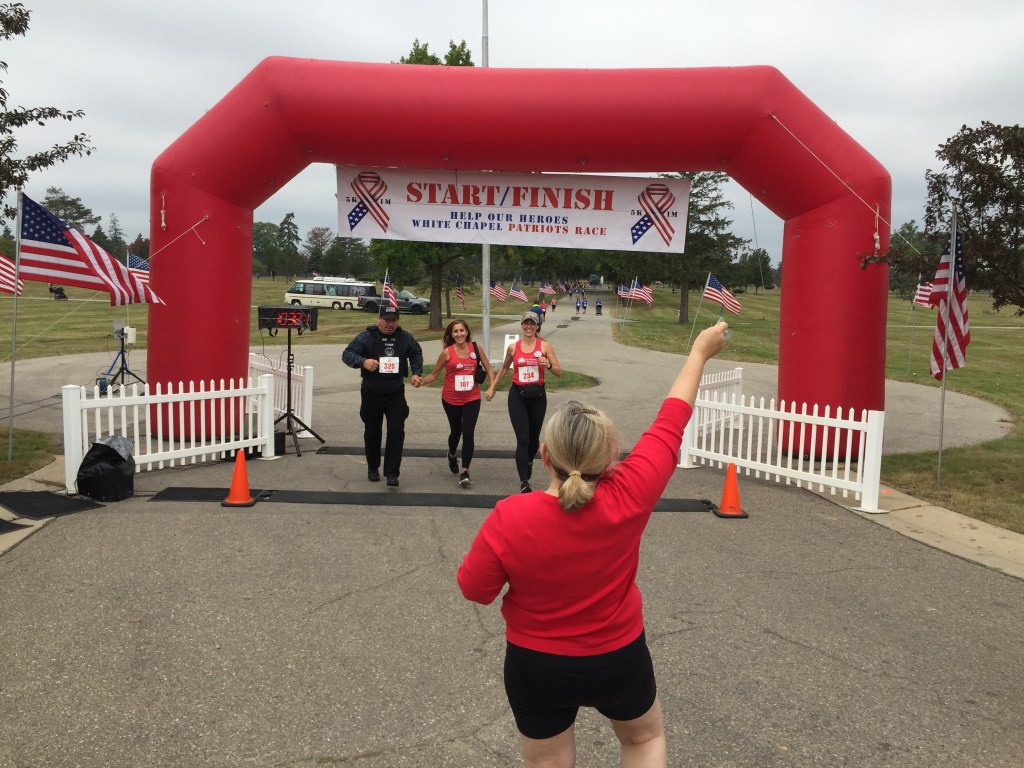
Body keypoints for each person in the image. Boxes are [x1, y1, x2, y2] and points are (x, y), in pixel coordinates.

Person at [459, 321, 729, 768]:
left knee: (548, 761)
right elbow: (672, 419)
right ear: (611, 457)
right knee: (642, 741)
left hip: (535, 664)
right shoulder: (631, 492)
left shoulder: (510, 516)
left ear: (544, 455)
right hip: (618, 657)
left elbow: (475, 589)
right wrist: (698, 353)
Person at [341, 305, 423, 486]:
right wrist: (363, 361)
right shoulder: (366, 336)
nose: (390, 324)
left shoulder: (405, 337)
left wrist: (416, 372)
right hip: (372, 392)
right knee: (372, 432)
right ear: (379, 319)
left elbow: (416, 352)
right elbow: (347, 354)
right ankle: (373, 467)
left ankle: (392, 473)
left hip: (395, 393)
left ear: (397, 321)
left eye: (393, 320)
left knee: (396, 431)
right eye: (386, 320)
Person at [485, 311, 561, 493]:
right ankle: (524, 481)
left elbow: (559, 371)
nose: (529, 327)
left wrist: (548, 365)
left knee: (533, 440)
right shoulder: (513, 348)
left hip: (538, 397)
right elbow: (505, 367)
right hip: (517, 396)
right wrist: (493, 387)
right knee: (523, 438)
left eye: (532, 324)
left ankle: (529, 460)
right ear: (522, 325)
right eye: (526, 323)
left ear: (537, 326)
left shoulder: (545, 346)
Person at [420, 319, 495, 488]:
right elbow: (434, 375)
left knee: (468, 432)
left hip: (472, 397)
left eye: (462, 330)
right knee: (456, 431)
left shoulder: (476, 348)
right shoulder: (447, 353)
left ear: (467, 332)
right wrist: (420, 382)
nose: (459, 334)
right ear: (451, 335)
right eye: (456, 331)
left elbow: (489, 369)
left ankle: (465, 471)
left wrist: (492, 386)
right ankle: (452, 454)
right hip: (451, 399)